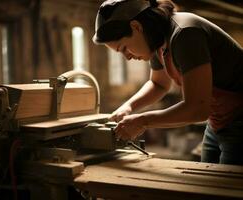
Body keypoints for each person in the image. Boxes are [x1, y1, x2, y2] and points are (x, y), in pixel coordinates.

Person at [92, 0, 243, 165]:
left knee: (225, 188)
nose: (127, 57)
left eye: (124, 48)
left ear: (136, 27)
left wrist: (142, 121)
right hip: (219, 122)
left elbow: (198, 109)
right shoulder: (157, 40)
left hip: (239, 120)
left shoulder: (185, 33)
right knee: (207, 180)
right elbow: (159, 84)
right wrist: (128, 107)